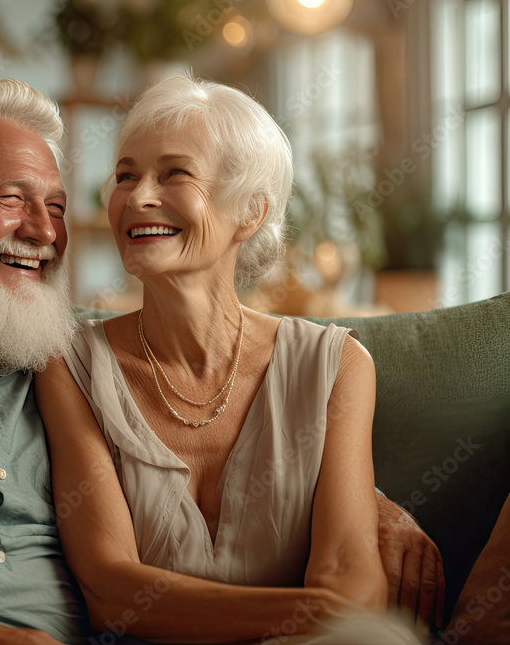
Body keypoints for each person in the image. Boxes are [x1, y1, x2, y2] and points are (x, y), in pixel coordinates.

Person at [0, 78, 443, 644]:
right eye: (11, 199)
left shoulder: (65, 350)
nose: (44, 231)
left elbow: (253, 415)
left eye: (55, 206)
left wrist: (377, 503)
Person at [34, 75, 423, 644]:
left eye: (175, 173)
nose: (138, 196)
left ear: (250, 211)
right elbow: (111, 589)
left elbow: (349, 576)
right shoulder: (68, 363)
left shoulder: (337, 366)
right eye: (124, 175)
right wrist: (315, 615)